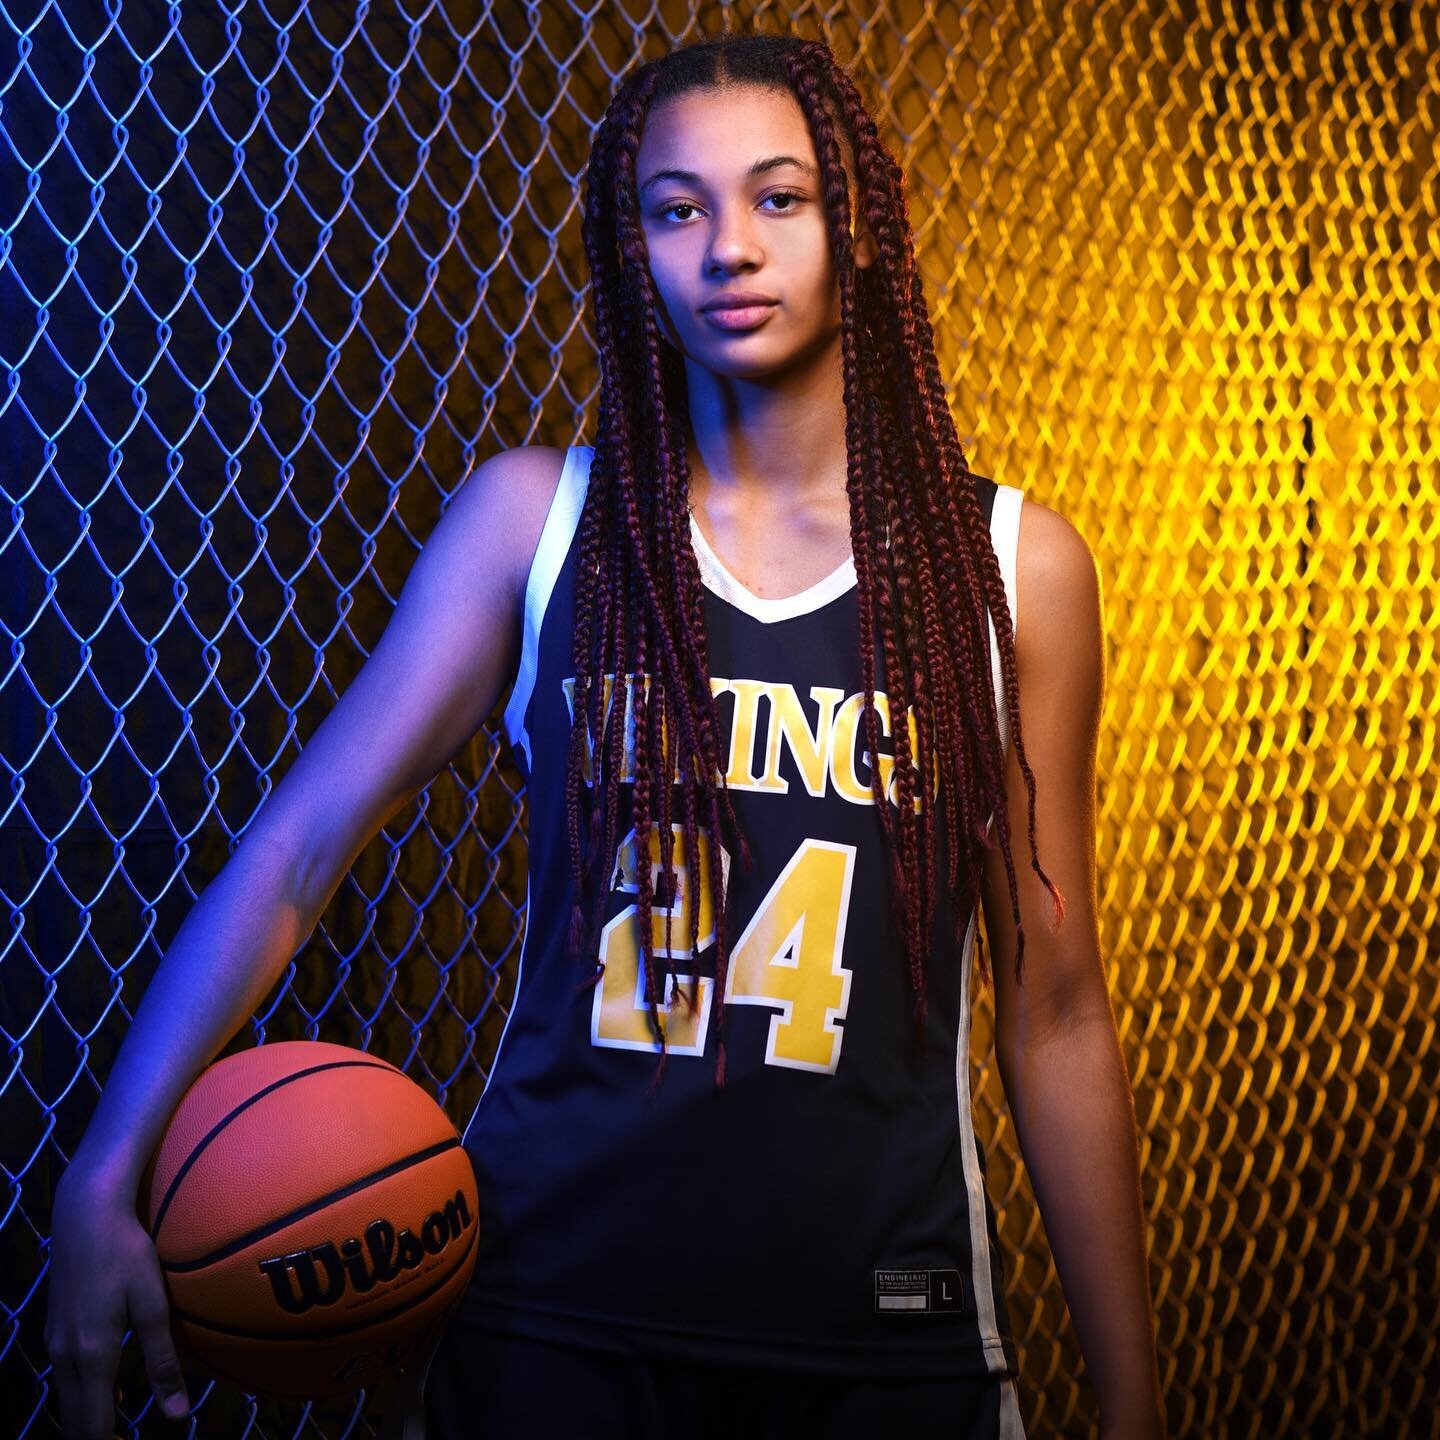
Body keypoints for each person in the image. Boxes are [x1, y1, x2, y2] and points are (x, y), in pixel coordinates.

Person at [44, 31, 1166, 1440]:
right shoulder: (537, 524)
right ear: (631, 249)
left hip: (883, 1327)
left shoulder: (1007, 570)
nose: (729, 249)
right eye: (676, 208)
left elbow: (1055, 1006)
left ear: (857, 227)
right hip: (548, 1316)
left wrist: (1131, 1394)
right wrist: (105, 1168)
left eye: (780, 197)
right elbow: (295, 853)